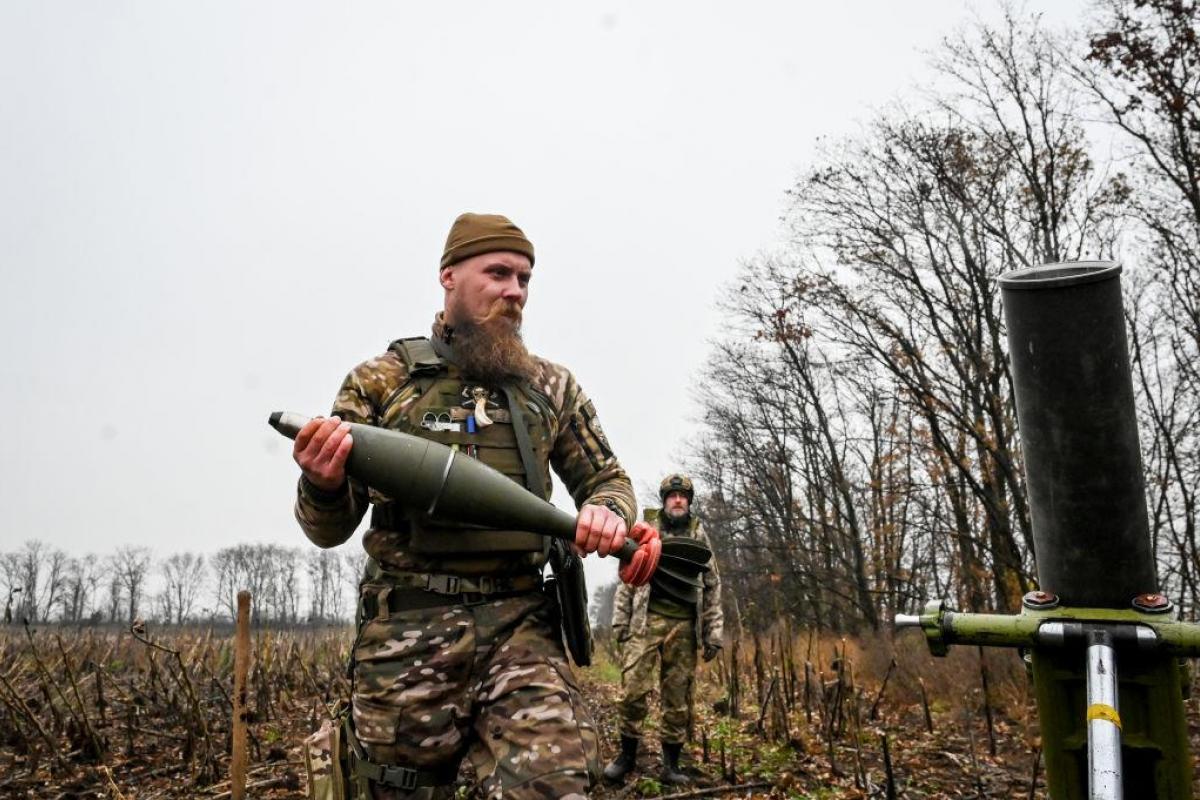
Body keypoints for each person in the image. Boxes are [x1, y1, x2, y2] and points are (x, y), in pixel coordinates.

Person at [291, 212, 661, 799]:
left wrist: (609, 512)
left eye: (524, 279)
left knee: (555, 786)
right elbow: (327, 529)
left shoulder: (551, 387)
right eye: (498, 273)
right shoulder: (381, 382)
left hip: (522, 625)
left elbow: (606, 477)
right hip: (408, 632)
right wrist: (323, 482)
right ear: (449, 276)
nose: (515, 292)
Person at [603, 474, 723, 786]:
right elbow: (628, 576)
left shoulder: (699, 535)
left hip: (684, 626)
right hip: (645, 622)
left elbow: (712, 585)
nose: (678, 500)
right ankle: (626, 757)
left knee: (677, 697)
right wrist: (621, 620)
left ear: (689, 501)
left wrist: (713, 632)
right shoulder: (647, 530)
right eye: (672, 495)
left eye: (683, 496)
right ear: (664, 500)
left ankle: (671, 764)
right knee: (632, 691)